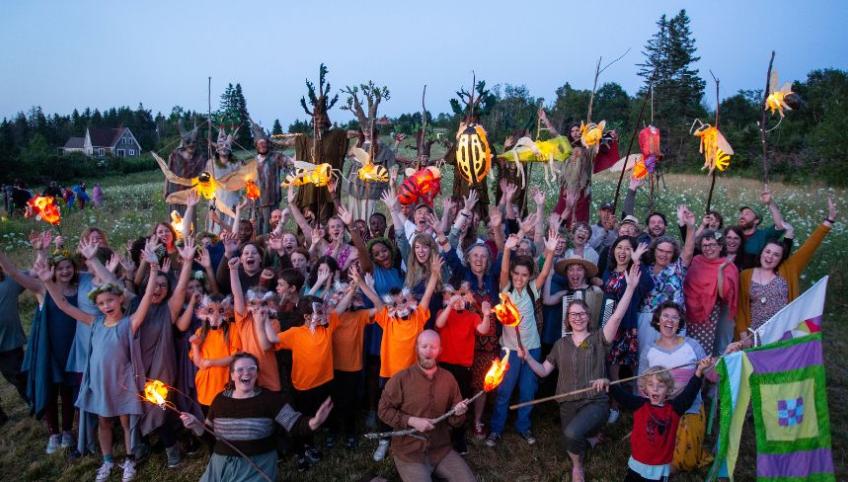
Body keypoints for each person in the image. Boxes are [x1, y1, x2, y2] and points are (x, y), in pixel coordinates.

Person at [37, 243, 161, 482]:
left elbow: (146, 298)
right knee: (104, 422)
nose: (106, 306)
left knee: (126, 422)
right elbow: (63, 305)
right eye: (102, 303)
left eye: (110, 301)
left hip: (123, 383)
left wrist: (154, 269)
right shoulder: (94, 323)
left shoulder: (130, 323)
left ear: (120, 301)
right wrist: (48, 282)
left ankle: (129, 459)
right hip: (100, 383)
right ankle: (106, 461)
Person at [519, 263, 642, 482]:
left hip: (595, 401)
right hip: (568, 403)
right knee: (569, 440)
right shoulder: (560, 344)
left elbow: (616, 317)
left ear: (588, 316)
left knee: (572, 434)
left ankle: (578, 467)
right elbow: (544, 371)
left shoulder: (599, 338)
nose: (577, 317)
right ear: (567, 319)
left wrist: (630, 288)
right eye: (573, 314)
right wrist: (527, 357)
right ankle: (593, 437)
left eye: (582, 313)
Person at [179, 353, 333, 482]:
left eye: (251, 368)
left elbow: (296, 424)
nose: (246, 373)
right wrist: (195, 425)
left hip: (256, 463)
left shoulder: (270, 399)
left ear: (257, 373)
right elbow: (209, 437)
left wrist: (315, 422)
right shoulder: (220, 400)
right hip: (220, 463)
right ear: (232, 375)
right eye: (240, 369)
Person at [486, 229, 558, 447]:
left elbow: (544, 274)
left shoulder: (531, 291)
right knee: (505, 390)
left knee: (528, 390)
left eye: (524, 275)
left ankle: (523, 426)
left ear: (529, 277)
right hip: (509, 350)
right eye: (516, 274)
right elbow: (505, 269)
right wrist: (507, 250)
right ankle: (496, 429)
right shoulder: (506, 291)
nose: (519, 278)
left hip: (532, 349)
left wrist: (551, 252)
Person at [732, 197, 836, 345]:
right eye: (767, 252)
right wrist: (743, 336)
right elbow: (741, 309)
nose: (770, 257)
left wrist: (829, 220)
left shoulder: (789, 268)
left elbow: (810, 245)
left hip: (784, 333)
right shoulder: (745, 275)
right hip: (754, 336)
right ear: (761, 252)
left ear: (781, 258)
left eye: (776, 255)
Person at [378, 330, 476, 482]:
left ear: (440, 350)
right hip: (409, 453)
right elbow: (383, 410)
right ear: (416, 348)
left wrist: (458, 413)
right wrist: (411, 420)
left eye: (433, 347)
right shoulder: (401, 379)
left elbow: (455, 422)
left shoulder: (448, 379)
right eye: (424, 346)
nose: (428, 351)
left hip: (441, 449)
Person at [601, 359, 710, 482]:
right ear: (645, 388)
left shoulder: (674, 409)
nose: (655, 389)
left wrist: (699, 371)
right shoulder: (639, 405)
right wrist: (608, 384)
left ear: (668, 389)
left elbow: (689, 394)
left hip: (659, 469)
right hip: (636, 465)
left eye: (661, 385)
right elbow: (621, 396)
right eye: (651, 385)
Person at [638, 302, 711, 472]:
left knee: (684, 461)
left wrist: (726, 355)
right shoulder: (649, 350)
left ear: (680, 323)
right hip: (661, 410)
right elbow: (642, 386)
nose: (669, 320)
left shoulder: (692, 345)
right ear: (658, 320)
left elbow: (713, 374)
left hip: (690, 408)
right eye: (665, 316)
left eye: (675, 317)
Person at [683, 230, 738, 356]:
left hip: (708, 319)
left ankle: (701, 375)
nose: (709, 249)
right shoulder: (696, 260)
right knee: (686, 353)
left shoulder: (727, 266)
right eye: (705, 246)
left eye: (713, 245)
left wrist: (720, 271)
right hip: (687, 315)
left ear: (720, 246)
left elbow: (724, 294)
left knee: (703, 355)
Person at [166, 120, 207, 216]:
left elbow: (203, 174)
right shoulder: (175, 156)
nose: (191, 145)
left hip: (190, 194)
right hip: (175, 193)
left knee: (190, 221)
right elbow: (168, 175)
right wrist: (166, 190)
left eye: (194, 142)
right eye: (188, 142)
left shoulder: (199, 158)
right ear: (183, 143)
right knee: (175, 218)